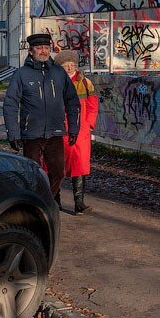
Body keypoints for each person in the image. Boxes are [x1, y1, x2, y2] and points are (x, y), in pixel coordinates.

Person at [3, 33, 80, 207]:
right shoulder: (21, 74)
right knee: (32, 174)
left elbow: (72, 101)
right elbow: (10, 104)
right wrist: (13, 133)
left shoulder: (59, 72)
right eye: (39, 48)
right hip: (32, 133)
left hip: (55, 131)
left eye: (46, 48)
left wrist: (74, 128)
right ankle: (38, 204)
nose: (43, 51)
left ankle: (43, 201)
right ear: (31, 51)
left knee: (58, 173)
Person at [55, 50, 99, 215]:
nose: (69, 68)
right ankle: (55, 200)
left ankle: (79, 203)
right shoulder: (55, 82)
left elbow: (93, 104)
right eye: (66, 65)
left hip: (80, 131)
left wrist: (89, 123)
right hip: (59, 129)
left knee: (79, 164)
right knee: (55, 164)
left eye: (72, 65)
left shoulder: (85, 82)